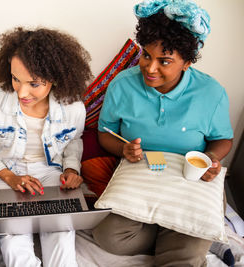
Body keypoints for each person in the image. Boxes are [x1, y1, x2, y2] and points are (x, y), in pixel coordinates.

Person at [92, 0, 233, 266]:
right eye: (146, 55)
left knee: (185, 258)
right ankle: (178, 232)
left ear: (187, 62)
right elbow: (105, 133)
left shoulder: (211, 92)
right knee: (108, 237)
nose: (150, 68)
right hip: (143, 178)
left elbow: (223, 139)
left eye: (164, 61)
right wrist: (122, 149)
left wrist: (211, 157)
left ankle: (188, 237)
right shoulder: (122, 86)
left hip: (190, 181)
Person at [0, 27, 92, 267]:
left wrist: (72, 170)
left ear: (55, 78)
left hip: (50, 171)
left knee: (60, 233)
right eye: (16, 79)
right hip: (5, 173)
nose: (22, 91)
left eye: (34, 84)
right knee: (12, 240)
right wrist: (9, 177)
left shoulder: (73, 106)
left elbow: (74, 141)